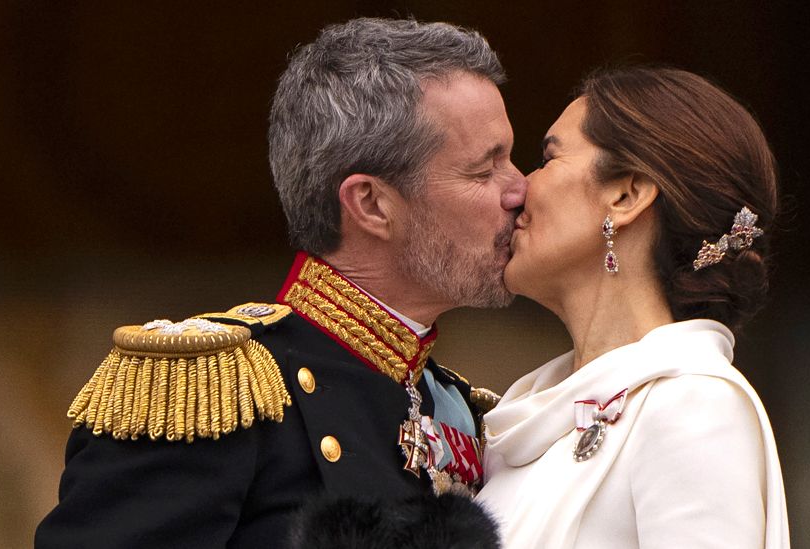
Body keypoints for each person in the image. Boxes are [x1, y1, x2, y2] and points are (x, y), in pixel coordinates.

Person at [35, 18, 524, 548]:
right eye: (483, 171)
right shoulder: (215, 390)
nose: (521, 189)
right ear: (371, 204)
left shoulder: (453, 404)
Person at [475, 66, 790, 548]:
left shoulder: (693, 406)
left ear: (626, 195)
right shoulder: (531, 421)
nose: (518, 188)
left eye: (548, 158)